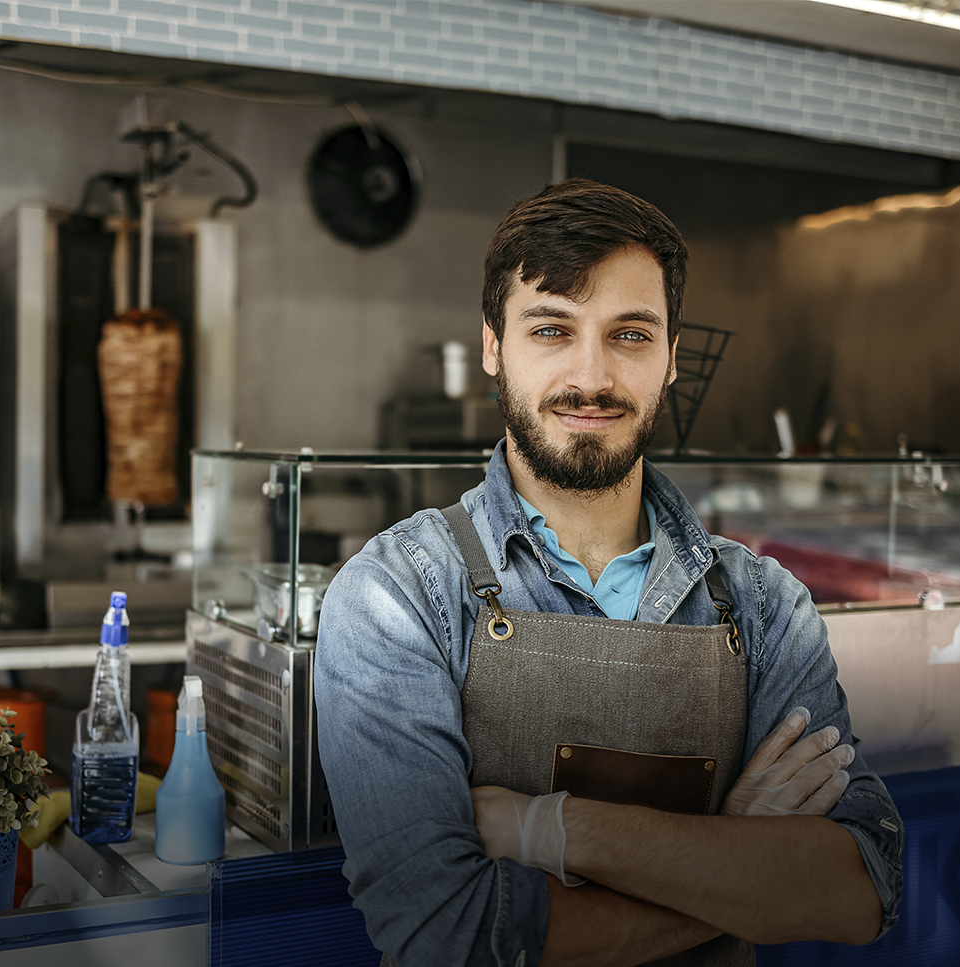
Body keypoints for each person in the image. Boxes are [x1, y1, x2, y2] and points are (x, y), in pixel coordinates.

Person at [314, 178, 903, 967]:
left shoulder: (765, 606)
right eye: (552, 328)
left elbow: (863, 886)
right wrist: (737, 860)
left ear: (670, 359)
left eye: (629, 335)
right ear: (494, 345)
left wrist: (549, 828)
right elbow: (445, 936)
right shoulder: (399, 594)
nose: (591, 377)